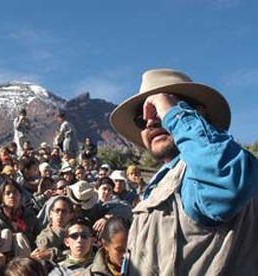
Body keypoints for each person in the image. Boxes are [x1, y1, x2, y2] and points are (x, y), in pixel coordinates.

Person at [110, 68, 258, 275]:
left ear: (198, 114)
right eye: (141, 120)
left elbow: (228, 182)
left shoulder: (199, 175)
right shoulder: (160, 182)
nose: (151, 121)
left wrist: (174, 114)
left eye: (159, 110)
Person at [34, 196, 75, 262]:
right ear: (50, 214)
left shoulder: (77, 232)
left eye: (64, 211)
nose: (60, 214)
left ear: (71, 215)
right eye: (57, 210)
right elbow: (42, 257)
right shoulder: (45, 237)